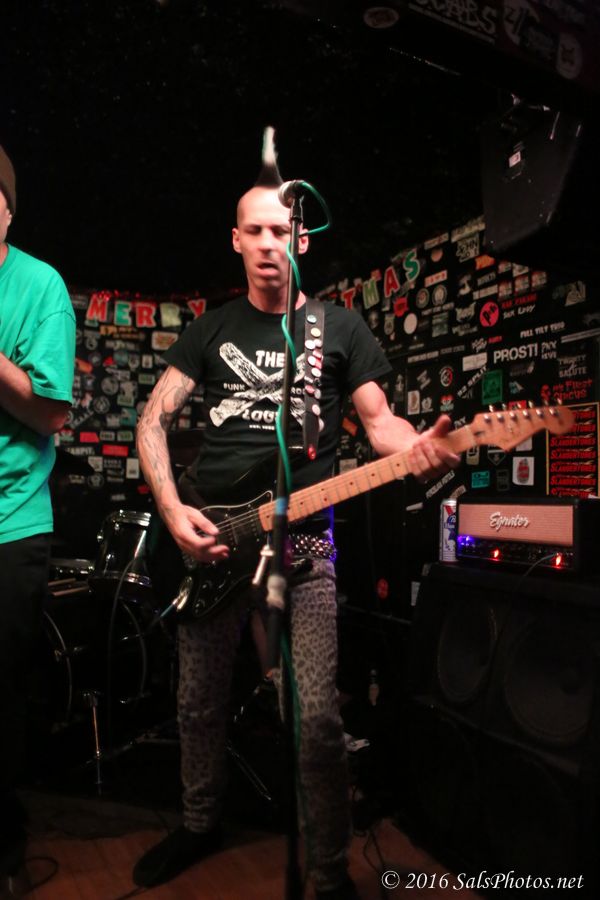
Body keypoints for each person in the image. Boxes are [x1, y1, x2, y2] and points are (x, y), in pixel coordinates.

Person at [134, 135, 460, 899]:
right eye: (254, 230)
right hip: (214, 541)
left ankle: (328, 871)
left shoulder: (338, 330)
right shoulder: (211, 329)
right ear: (236, 240)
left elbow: (380, 426)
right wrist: (174, 511)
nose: (267, 243)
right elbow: (152, 420)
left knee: (315, 720)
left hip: (304, 548)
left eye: (281, 230)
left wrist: (419, 446)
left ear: (301, 241)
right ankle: (199, 822)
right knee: (198, 704)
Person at [0, 144, 76, 878]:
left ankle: (4, 839)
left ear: (7, 209)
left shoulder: (38, 284)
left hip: (10, 520)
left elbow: (51, 412)